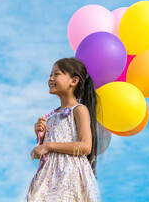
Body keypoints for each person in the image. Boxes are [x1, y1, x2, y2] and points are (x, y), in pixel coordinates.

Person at [27, 57, 100, 201]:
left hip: (69, 174)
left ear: (74, 81)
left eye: (57, 74)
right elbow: (39, 154)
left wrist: (48, 145)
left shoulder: (79, 110)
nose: (51, 79)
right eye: (50, 75)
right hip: (49, 177)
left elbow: (85, 147)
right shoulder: (51, 117)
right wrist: (40, 140)